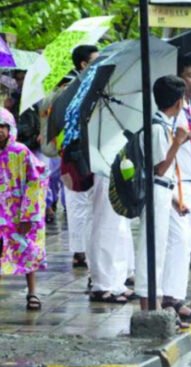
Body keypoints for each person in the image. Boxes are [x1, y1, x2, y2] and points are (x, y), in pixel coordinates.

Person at [161, 57, 191, 322]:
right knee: (178, 243)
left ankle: (176, 296)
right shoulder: (173, 112)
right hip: (176, 184)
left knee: (185, 244)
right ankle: (169, 299)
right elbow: (170, 141)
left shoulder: (190, 109)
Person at [135, 75, 189, 311]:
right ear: (177, 102)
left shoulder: (161, 125)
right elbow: (159, 168)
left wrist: (175, 199)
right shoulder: (157, 129)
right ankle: (149, 304)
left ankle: (155, 299)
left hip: (163, 193)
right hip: (156, 192)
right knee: (152, 247)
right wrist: (177, 143)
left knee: (163, 244)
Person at [0, 115, 48, 310]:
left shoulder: (21, 152)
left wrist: (29, 214)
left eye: (2, 126)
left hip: (19, 211)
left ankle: (32, 292)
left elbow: (36, 181)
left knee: (28, 250)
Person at [65, 45, 100, 270]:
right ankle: (81, 251)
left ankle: (83, 250)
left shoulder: (87, 86)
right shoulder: (76, 88)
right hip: (75, 152)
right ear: (83, 65)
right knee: (79, 203)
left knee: (83, 204)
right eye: (96, 60)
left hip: (83, 150)